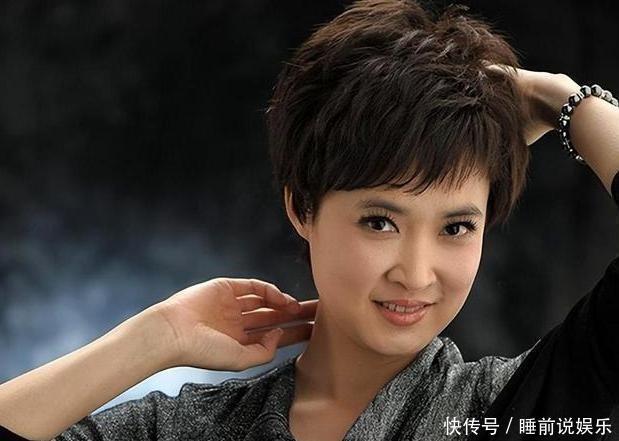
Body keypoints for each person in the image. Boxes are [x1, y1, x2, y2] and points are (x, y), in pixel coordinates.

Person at [1, 1, 618, 440]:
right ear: (302, 207)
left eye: (456, 228)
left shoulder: (514, 412)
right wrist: (154, 339)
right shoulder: (193, 428)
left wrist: (563, 100)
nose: (416, 273)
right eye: (380, 222)